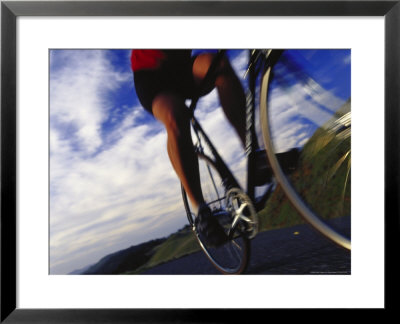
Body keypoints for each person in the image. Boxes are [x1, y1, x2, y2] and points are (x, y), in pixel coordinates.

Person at [131, 49, 248, 246]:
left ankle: (254, 153)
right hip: (150, 76)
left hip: (182, 68)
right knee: (175, 115)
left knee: (218, 64)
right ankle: (201, 211)